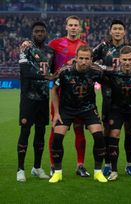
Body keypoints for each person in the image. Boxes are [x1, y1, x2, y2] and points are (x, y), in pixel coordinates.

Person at [93, 20, 131, 177]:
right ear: (110, 31)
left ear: (124, 31)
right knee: (109, 133)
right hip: (109, 99)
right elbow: (90, 59)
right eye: (114, 28)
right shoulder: (103, 47)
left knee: (130, 132)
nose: (117, 31)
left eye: (120, 29)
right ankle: (108, 164)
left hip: (128, 95)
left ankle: (129, 164)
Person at [49, 45, 107, 183]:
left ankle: (98, 172)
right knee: (57, 137)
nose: (83, 61)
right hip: (67, 108)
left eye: (87, 58)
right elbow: (54, 90)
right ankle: (57, 172)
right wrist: (56, 113)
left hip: (88, 108)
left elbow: (108, 84)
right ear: (76, 58)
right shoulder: (64, 72)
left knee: (99, 136)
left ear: (91, 59)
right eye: (81, 58)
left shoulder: (96, 71)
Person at [48, 15, 89, 177]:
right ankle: (53, 165)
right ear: (66, 27)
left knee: (80, 131)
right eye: (70, 25)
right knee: (55, 130)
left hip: (78, 97)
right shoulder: (55, 44)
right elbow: (47, 63)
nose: (73, 28)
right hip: (59, 96)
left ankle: (80, 165)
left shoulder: (84, 46)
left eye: (76, 25)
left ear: (79, 28)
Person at [17, 21, 55, 182]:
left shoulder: (50, 51)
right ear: (32, 33)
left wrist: (53, 79)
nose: (39, 33)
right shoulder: (25, 48)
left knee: (40, 133)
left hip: (43, 99)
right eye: (36, 31)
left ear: (46, 33)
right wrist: (47, 76)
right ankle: (20, 169)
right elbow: (25, 71)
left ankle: (37, 167)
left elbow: (53, 72)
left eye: (42, 31)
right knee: (25, 132)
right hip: (28, 99)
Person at [103, 46, 131, 181]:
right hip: (117, 109)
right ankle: (114, 170)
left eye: (130, 59)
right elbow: (96, 71)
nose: (127, 62)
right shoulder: (112, 73)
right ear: (119, 60)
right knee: (114, 134)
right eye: (124, 59)